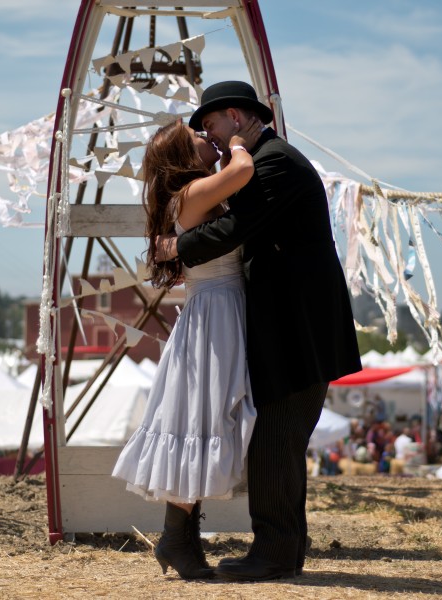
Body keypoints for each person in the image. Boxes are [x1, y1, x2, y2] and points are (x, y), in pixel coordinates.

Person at [158, 81, 361, 580]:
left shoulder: (272, 162)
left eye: (211, 124)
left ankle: (274, 552)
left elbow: (233, 230)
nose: (208, 134)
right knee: (281, 436)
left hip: (296, 327)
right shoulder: (265, 158)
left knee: (275, 434)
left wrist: (173, 248)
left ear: (234, 115)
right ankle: (282, 549)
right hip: (292, 324)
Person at [112, 116, 264, 580]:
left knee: (205, 418)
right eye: (197, 137)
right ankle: (178, 538)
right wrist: (240, 143)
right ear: (182, 156)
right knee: (207, 418)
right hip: (216, 311)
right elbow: (242, 173)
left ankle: (180, 538)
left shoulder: (195, 195)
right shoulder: (195, 193)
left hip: (215, 308)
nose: (208, 137)